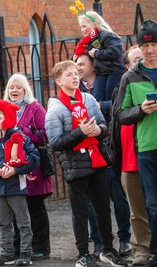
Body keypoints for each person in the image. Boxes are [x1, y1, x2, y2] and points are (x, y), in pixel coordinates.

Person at [45, 60, 128, 267]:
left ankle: (108, 250)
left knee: (103, 207)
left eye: (75, 73)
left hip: (97, 159)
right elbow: (55, 143)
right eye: (68, 75)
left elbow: (105, 126)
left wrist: (98, 131)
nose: (74, 77)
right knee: (81, 211)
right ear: (58, 81)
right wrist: (80, 132)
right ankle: (82, 255)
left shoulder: (89, 99)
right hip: (75, 164)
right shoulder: (55, 108)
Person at [0, 73, 53, 261]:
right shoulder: (0, 110)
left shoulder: (35, 108)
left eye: (18, 87)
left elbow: (45, 134)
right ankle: (18, 248)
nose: (14, 90)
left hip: (32, 167)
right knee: (14, 209)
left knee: (34, 207)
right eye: (11, 87)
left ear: (26, 90)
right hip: (8, 169)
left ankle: (40, 247)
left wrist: (22, 132)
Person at [76, 54, 132, 259]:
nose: (78, 68)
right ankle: (98, 242)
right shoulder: (76, 90)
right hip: (89, 152)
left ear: (93, 64)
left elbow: (120, 106)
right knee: (93, 203)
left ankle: (125, 239)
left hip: (111, 149)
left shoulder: (111, 82)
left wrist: (101, 106)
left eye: (82, 64)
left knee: (119, 198)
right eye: (75, 66)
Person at [0, 92, 40, 266]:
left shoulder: (19, 136)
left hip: (16, 186)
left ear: (7, 118)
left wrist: (15, 170)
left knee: (23, 222)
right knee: (4, 223)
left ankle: (25, 254)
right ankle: (7, 253)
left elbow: (34, 157)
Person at [117, 19, 157, 267]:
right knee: (152, 204)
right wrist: (141, 110)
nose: (150, 50)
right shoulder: (130, 77)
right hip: (147, 148)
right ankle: (153, 251)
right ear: (139, 47)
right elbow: (121, 115)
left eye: (154, 45)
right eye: (145, 44)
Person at [111, 45, 151, 266]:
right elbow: (116, 122)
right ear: (127, 66)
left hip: (150, 156)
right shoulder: (123, 90)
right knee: (137, 212)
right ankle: (141, 251)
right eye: (136, 59)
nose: (141, 60)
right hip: (130, 162)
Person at [71, 2, 125, 104]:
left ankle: (111, 118)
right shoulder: (90, 40)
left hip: (114, 71)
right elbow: (86, 51)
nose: (82, 30)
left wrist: (96, 54)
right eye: (81, 27)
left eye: (84, 26)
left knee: (110, 97)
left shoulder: (107, 35)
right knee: (96, 98)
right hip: (102, 73)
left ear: (94, 24)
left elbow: (115, 52)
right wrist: (78, 53)